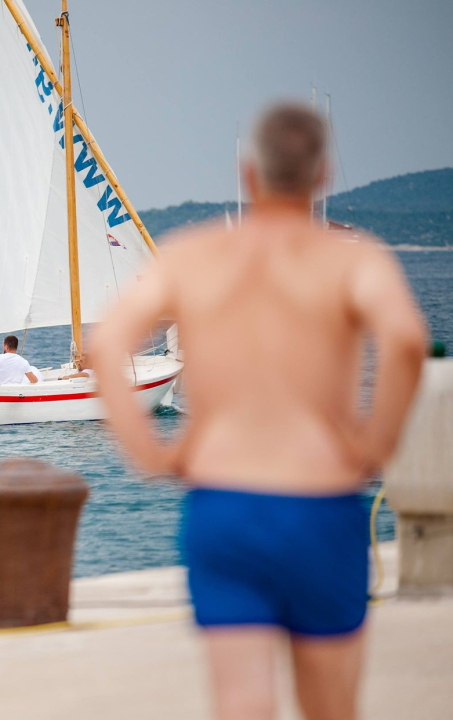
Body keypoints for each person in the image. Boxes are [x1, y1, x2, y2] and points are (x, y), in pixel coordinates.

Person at [93, 102, 428, 720]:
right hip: (321, 500)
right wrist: (375, 447)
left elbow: (109, 342)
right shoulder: (351, 258)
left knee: (242, 704)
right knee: (331, 707)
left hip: (225, 503)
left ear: (250, 175)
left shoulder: (193, 254)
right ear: (322, 175)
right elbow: (406, 342)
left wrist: (151, 455)